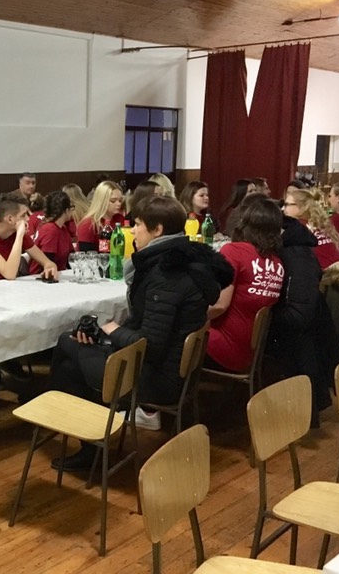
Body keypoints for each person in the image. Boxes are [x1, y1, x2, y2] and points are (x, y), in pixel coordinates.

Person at [49, 196, 233, 468]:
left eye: (137, 225)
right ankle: (83, 434)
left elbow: (151, 345)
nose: (132, 231)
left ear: (157, 230)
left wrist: (112, 330)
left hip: (159, 378)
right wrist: (106, 335)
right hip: (174, 370)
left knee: (67, 350)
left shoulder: (166, 275)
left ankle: (75, 432)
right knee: (72, 355)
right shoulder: (186, 262)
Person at [267, 215, 339, 428]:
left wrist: (270, 316)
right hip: (305, 331)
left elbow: (299, 316)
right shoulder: (299, 249)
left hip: (296, 332)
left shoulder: (295, 256)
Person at [205, 195, 285, 372]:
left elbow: (219, 306)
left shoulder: (234, 251)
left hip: (225, 346)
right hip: (251, 351)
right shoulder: (277, 263)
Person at [0, 193, 58, 282]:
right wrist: (19, 235)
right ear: (10, 219)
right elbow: (9, 274)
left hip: (9, 286)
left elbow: (47, 262)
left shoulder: (15, 233)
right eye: (23, 215)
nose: (28, 219)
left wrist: (50, 267)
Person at [283, 187, 339, 270]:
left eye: (286, 205)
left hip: (324, 273)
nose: (283, 209)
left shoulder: (297, 227)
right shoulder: (322, 223)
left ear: (302, 207)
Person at [29, 191, 74, 274]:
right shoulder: (50, 230)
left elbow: (71, 258)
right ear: (66, 210)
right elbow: (47, 263)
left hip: (58, 273)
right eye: (72, 208)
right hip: (41, 276)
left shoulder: (62, 228)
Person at [76, 181, 125, 251]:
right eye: (113, 201)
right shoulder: (88, 224)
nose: (118, 204)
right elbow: (86, 255)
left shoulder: (120, 219)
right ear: (102, 201)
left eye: (120, 200)